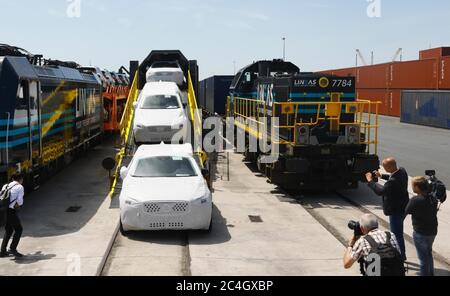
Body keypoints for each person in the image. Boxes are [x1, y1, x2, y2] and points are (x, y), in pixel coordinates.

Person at [365, 157, 409, 260]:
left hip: (395, 210)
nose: (383, 168)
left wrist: (370, 181)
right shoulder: (402, 171)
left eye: (384, 167)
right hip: (402, 207)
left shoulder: (393, 181)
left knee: (396, 234)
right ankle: (401, 254)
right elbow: (393, 177)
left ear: (390, 166)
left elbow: (381, 191)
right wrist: (382, 176)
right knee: (398, 232)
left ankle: (401, 256)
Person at [405, 177, 439, 276]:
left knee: (423, 259)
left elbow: (407, 211)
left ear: (417, 187)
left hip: (420, 232)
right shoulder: (433, 197)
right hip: (432, 231)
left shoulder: (415, 200)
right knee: (428, 254)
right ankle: (431, 273)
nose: (412, 188)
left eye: (413, 186)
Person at [0, 174, 25, 258]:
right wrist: (18, 207)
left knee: (9, 230)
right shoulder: (20, 187)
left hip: (4, 210)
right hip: (11, 211)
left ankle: (3, 251)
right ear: (20, 179)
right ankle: (13, 248)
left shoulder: (6, 185)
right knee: (19, 229)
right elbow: (20, 201)